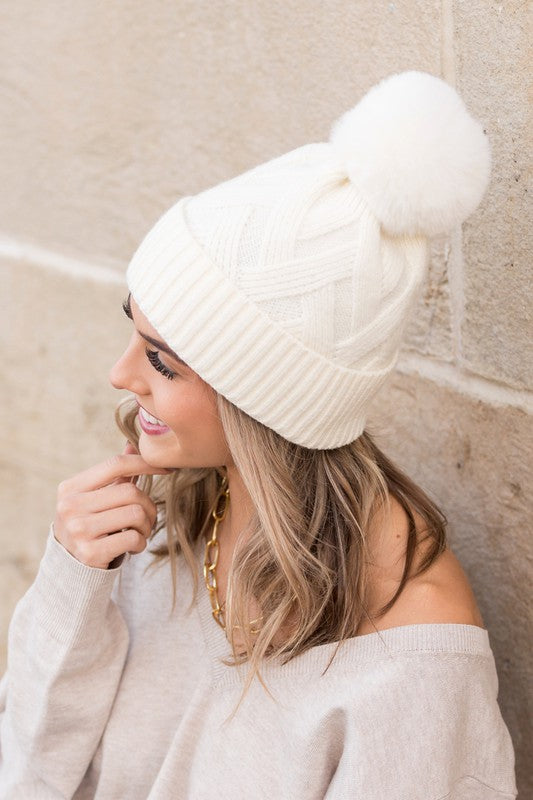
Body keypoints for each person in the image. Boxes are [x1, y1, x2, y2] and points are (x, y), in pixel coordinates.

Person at [0, 71, 517, 799]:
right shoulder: (163, 525)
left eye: (161, 361)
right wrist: (72, 587)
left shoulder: (410, 657)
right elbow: (28, 770)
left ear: (260, 400)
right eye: (134, 332)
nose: (120, 376)